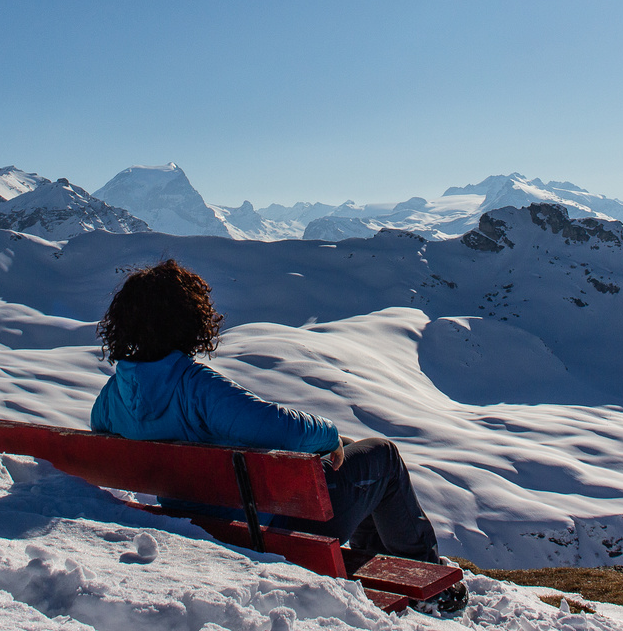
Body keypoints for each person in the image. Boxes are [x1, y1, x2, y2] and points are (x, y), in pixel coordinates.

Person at [90, 259, 465, 612]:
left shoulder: (112, 397)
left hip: (202, 528)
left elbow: (101, 440)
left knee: (356, 458)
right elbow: (277, 426)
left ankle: (379, 563)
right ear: (186, 320)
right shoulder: (195, 388)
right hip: (264, 531)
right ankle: (428, 581)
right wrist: (330, 435)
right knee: (382, 456)